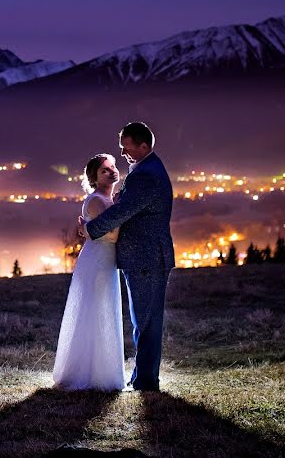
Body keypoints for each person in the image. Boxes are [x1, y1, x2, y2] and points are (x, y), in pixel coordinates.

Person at [80, 121, 174, 391]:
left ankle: (145, 381)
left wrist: (91, 229)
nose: (123, 154)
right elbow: (131, 205)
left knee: (145, 321)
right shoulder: (149, 169)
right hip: (147, 257)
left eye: (127, 148)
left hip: (146, 258)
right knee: (144, 319)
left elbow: (125, 211)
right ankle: (142, 378)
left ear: (143, 146)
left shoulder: (145, 174)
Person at [52, 153, 125, 391]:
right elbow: (112, 235)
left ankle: (100, 372)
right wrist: (92, 229)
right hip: (98, 261)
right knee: (96, 312)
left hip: (104, 259)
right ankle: (93, 375)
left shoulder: (108, 199)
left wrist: (90, 228)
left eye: (113, 167)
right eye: (105, 170)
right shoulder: (97, 201)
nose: (112, 171)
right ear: (94, 177)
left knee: (102, 311)